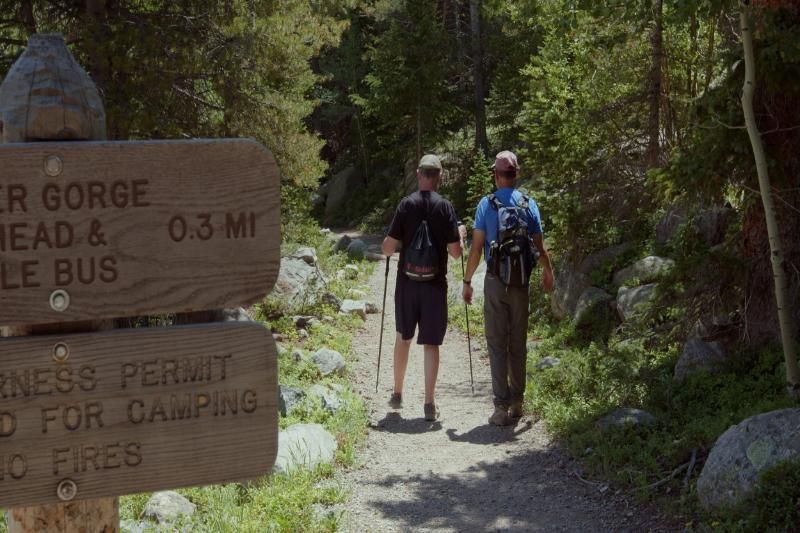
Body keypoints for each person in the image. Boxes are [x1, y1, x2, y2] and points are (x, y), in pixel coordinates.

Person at [461, 150, 554, 426]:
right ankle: (517, 402)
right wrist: (549, 272)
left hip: (494, 282)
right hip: (521, 284)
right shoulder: (529, 204)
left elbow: (476, 249)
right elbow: (540, 247)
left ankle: (500, 407)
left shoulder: (486, 205)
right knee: (518, 343)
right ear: (516, 175)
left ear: (496, 175)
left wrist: (467, 282)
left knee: (496, 343)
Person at [382, 154, 463, 421]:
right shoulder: (445, 207)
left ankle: (397, 393)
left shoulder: (406, 205)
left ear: (419, 174)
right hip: (434, 286)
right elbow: (454, 253)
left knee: (403, 337)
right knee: (430, 344)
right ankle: (429, 403)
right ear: (439, 177)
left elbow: (387, 248)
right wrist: (459, 236)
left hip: (407, 284)